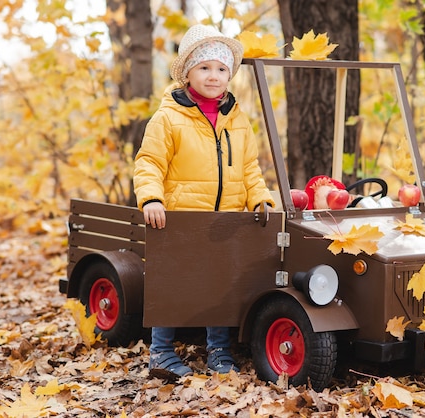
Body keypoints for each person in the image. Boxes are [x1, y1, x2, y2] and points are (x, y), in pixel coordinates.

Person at [133, 24, 275, 381]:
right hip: (181, 218)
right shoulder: (169, 118)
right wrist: (152, 198)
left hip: (226, 221)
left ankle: (218, 350)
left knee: (221, 282)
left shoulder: (237, 120)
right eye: (205, 67)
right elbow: (149, 162)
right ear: (188, 74)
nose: (214, 76)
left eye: (221, 69)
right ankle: (162, 353)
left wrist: (260, 199)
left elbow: (250, 168)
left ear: (230, 75)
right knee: (175, 281)